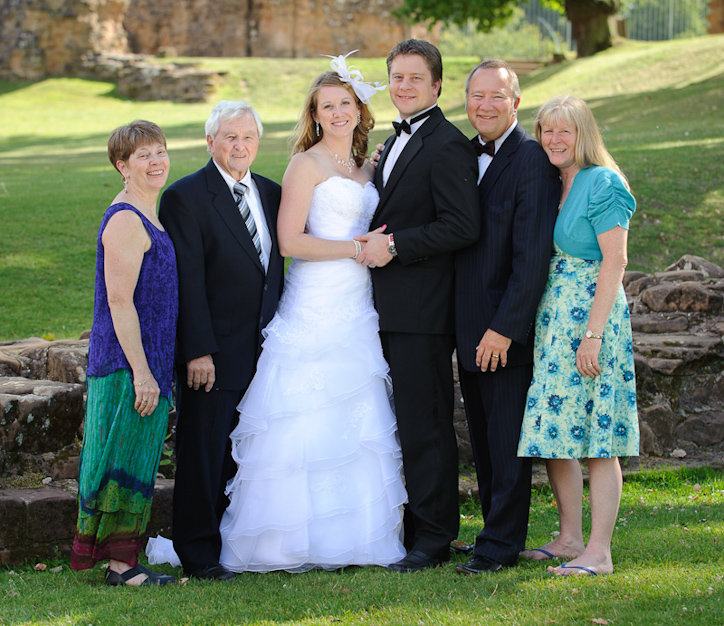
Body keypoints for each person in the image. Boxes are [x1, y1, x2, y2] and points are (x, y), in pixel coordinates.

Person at [218, 53, 406, 572]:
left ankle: (356, 537)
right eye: (328, 106)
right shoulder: (306, 164)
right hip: (315, 300)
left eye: (346, 103)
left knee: (357, 413)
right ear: (316, 114)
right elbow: (288, 241)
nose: (339, 112)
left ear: (360, 109)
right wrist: (355, 248)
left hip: (359, 304)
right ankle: (285, 542)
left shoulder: (370, 167)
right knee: (303, 413)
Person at [355, 39, 479, 573]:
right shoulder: (395, 140)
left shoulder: (448, 144)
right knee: (393, 422)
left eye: (414, 78)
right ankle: (401, 525)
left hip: (422, 314)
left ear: (436, 85)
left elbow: (461, 225)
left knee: (425, 425)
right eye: (396, 77)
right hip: (378, 308)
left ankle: (432, 538)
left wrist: (397, 245)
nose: (403, 86)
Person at [159, 101, 284, 580]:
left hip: (267, 349)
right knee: (203, 452)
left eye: (247, 137)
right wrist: (197, 349)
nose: (239, 146)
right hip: (212, 350)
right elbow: (187, 280)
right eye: (229, 137)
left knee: (247, 453)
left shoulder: (271, 194)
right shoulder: (185, 197)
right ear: (210, 142)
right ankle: (199, 551)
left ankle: (236, 541)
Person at [517, 95, 639, 577]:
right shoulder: (555, 181)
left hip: (592, 319)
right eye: (547, 130)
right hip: (554, 321)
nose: (554, 139)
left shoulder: (602, 182)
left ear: (583, 134)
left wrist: (592, 334)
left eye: (564, 130)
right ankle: (569, 538)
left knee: (596, 436)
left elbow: (617, 260)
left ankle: (600, 552)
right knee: (557, 429)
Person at [453, 60, 560, 575]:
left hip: (504, 331)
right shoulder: (464, 153)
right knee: (487, 446)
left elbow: (532, 256)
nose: (485, 105)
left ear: (516, 102)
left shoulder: (532, 159)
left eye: (496, 96)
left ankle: (500, 546)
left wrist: (504, 329)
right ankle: (491, 535)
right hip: (467, 327)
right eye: (476, 96)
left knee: (507, 447)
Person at [71, 120, 178, 587]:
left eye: (160, 151)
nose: (156, 162)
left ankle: (125, 560)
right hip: (125, 365)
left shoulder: (147, 212)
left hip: (147, 361)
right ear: (122, 166)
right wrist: (142, 372)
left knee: (136, 459)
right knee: (121, 460)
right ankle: (121, 567)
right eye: (143, 156)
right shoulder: (125, 220)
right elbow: (119, 301)